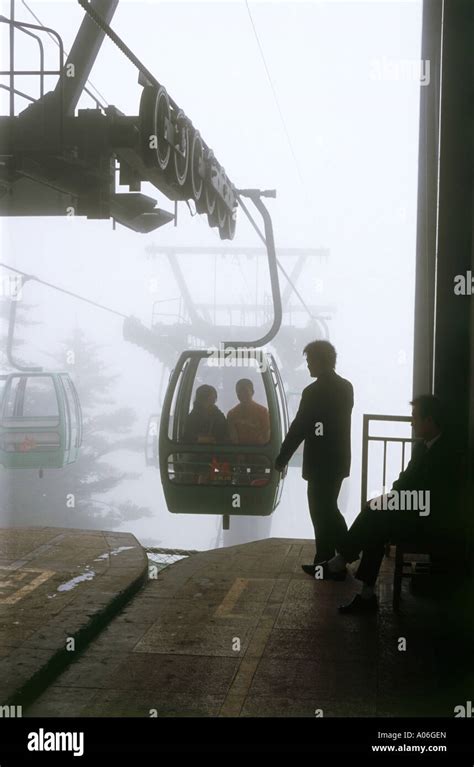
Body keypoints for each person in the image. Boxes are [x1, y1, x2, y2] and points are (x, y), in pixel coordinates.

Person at [323, 394, 458, 614]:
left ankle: (345, 564)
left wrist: (390, 501)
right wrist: (390, 500)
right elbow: (404, 481)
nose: (412, 421)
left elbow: (431, 497)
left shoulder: (446, 454)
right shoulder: (425, 447)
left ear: (430, 420)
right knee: (376, 520)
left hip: (430, 520)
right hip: (416, 511)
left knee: (375, 516)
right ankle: (359, 585)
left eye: (415, 416)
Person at [275, 340, 354, 570]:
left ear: (319, 361)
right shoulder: (346, 387)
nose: (308, 366)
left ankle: (333, 559)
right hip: (338, 460)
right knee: (328, 508)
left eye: (309, 361)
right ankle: (339, 557)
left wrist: (282, 457)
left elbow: (300, 427)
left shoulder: (313, 392)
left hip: (319, 462)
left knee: (321, 512)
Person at [227, 379, 270, 445]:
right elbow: (233, 440)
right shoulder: (232, 414)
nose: (242, 394)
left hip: (260, 452)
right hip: (238, 453)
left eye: (245, 391)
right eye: (239, 391)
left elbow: (266, 438)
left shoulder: (263, 412)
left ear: (252, 392)